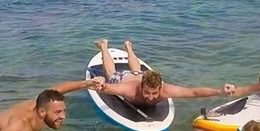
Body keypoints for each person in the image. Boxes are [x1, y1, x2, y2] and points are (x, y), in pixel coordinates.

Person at [90, 39, 238, 107]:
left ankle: (128, 47)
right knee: (111, 73)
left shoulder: (164, 90)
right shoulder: (130, 89)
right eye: (147, 92)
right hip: (125, 78)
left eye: (154, 93)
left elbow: (193, 92)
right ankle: (104, 45)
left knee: (138, 71)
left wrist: (220, 91)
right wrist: (101, 85)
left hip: (139, 75)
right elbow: (108, 88)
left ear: (160, 88)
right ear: (141, 87)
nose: (150, 97)